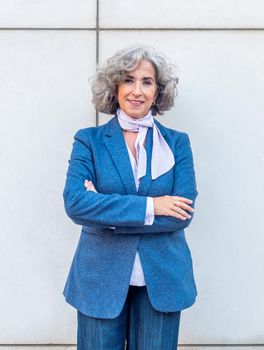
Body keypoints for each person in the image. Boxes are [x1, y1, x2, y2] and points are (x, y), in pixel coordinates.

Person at [62, 45, 198, 349]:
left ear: (157, 90)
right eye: (128, 80)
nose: (137, 90)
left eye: (146, 82)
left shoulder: (177, 144)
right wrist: (153, 206)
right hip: (100, 277)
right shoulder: (89, 141)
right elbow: (76, 203)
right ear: (115, 86)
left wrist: (105, 211)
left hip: (163, 277)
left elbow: (183, 213)